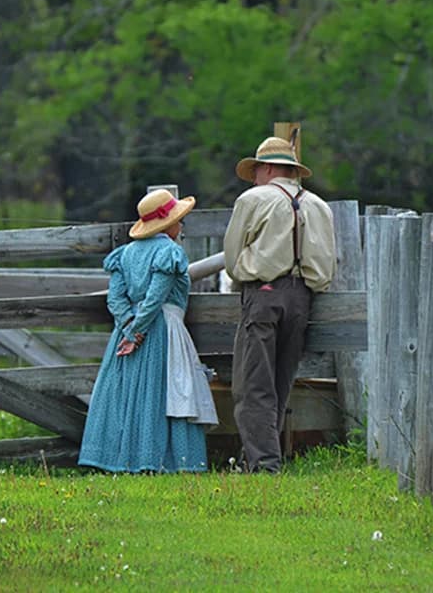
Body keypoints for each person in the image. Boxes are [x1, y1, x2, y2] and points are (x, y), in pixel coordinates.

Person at [79, 188, 218, 473]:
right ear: (168, 225)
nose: (182, 225)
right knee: (161, 391)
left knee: (127, 392)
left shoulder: (126, 254)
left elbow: (115, 298)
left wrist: (128, 326)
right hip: (162, 329)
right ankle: (164, 459)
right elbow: (156, 297)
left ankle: (122, 458)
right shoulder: (169, 252)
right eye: (178, 220)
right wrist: (137, 331)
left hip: (129, 329)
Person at [223, 136, 337, 473]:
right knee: (281, 379)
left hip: (264, 293)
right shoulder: (319, 206)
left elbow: (232, 255)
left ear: (269, 169)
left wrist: (246, 276)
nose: (255, 177)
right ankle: (260, 457)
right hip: (302, 298)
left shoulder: (253, 199)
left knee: (252, 384)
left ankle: (264, 464)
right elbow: (327, 263)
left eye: (257, 170)